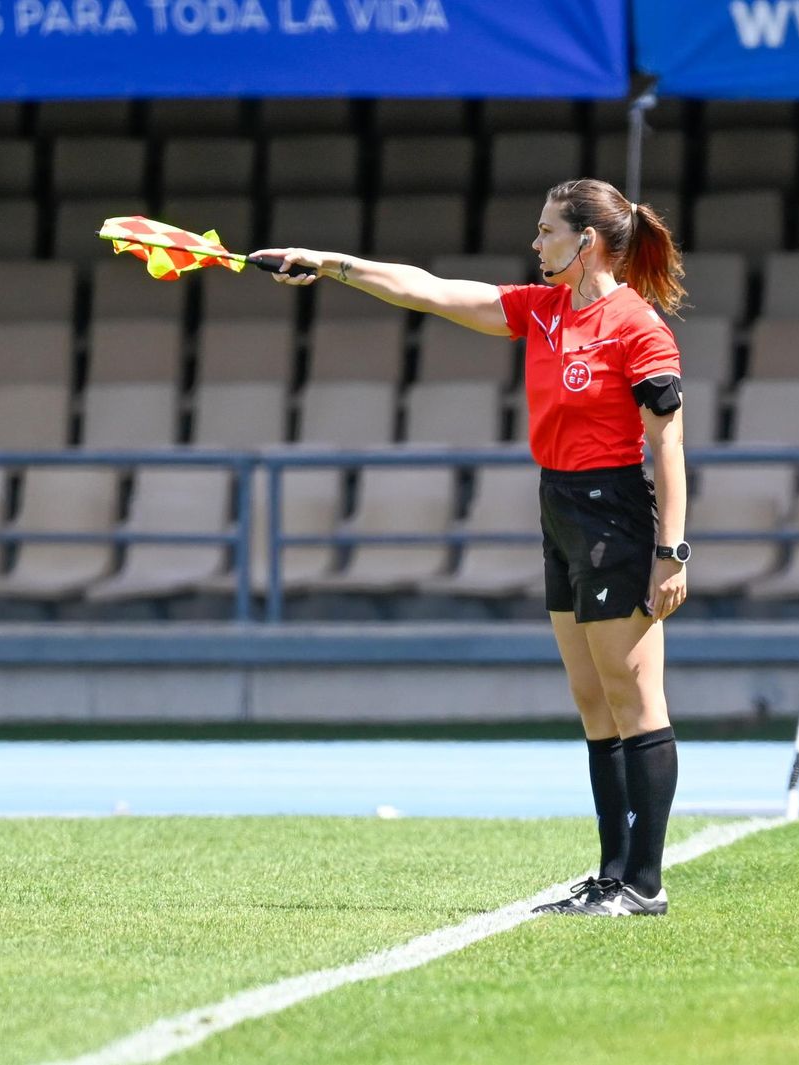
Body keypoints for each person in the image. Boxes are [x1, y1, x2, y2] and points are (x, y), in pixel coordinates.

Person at [251, 177, 689, 917]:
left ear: (587, 242)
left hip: (614, 514)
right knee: (592, 700)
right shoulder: (541, 311)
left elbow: (668, 441)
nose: (535, 243)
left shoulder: (637, 325)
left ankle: (644, 882)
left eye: (548, 231)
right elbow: (426, 290)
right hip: (557, 507)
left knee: (634, 698)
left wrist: (672, 551)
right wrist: (328, 262)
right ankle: (613, 872)